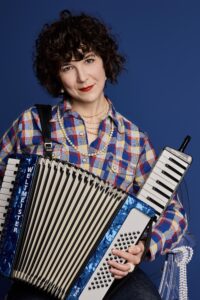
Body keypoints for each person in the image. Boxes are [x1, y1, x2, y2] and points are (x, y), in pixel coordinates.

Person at [0, 10, 187, 300]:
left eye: (88, 60)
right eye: (68, 66)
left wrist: (145, 245)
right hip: (37, 273)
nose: (82, 76)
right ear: (57, 76)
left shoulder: (135, 140)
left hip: (110, 274)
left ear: (104, 61)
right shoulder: (33, 122)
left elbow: (173, 212)